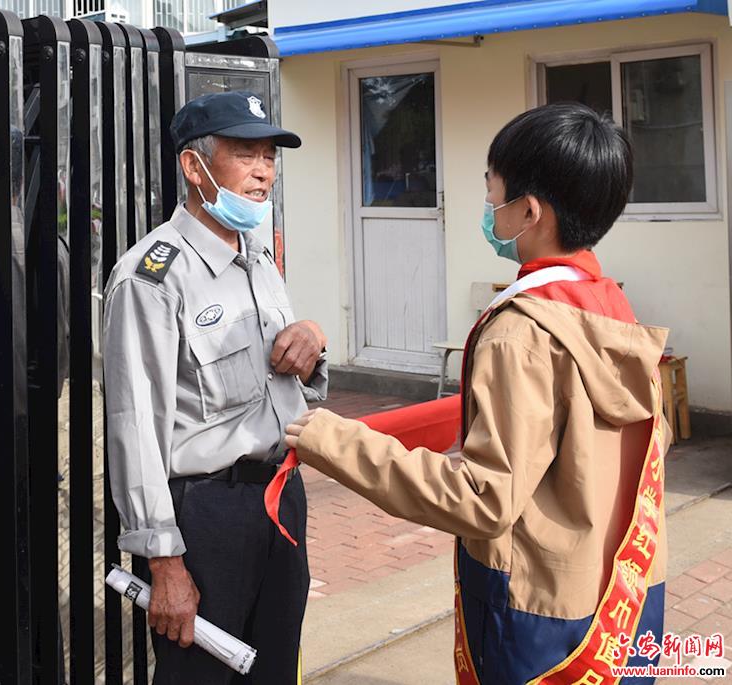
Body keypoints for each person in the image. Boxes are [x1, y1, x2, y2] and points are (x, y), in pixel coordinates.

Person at [287, 103, 669, 684]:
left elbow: (484, 499)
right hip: (617, 596)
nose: (487, 208)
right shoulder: (610, 308)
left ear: (530, 211)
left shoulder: (522, 332)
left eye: (492, 193)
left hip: (538, 613)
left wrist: (332, 439)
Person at [103, 90, 328, 684]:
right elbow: (134, 427)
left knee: (276, 669)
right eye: (245, 154)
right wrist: (165, 561)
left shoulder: (258, 254)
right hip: (207, 517)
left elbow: (281, 376)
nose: (263, 171)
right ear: (194, 165)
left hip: (280, 497)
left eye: (270, 156)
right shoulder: (150, 276)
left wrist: (311, 340)